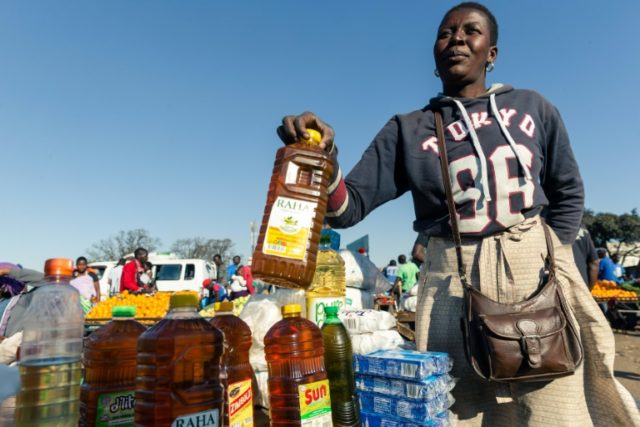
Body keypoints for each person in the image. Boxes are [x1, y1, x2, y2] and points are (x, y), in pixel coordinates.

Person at [276, 2, 638, 424]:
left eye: (471, 31)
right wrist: (324, 158)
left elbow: (568, 190)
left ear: (492, 52)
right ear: (434, 53)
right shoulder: (408, 128)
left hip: (534, 271)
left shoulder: (533, 107)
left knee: (552, 404)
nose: (457, 39)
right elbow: (346, 208)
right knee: (460, 407)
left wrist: (547, 253)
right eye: (446, 33)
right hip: (450, 282)